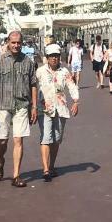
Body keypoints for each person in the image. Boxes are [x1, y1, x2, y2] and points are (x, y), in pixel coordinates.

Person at [0, 31, 38, 188]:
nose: (16, 45)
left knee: (18, 140)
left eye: (19, 43)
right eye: (13, 42)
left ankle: (16, 176)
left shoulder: (28, 62)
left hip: (22, 105)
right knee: (2, 141)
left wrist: (34, 106)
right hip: (3, 105)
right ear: (8, 42)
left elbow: (33, 84)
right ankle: (0, 161)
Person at [36, 44, 80, 181]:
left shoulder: (64, 72)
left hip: (60, 109)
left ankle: (52, 165)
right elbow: (31, 87)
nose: (54, 58)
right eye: (51, 56)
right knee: (45, 138)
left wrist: (76, 101)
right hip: (44, 109)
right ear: (47, 58)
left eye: (56, 56)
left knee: (56, 139)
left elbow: (72, 86)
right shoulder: (40, 71)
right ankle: (45, 169)